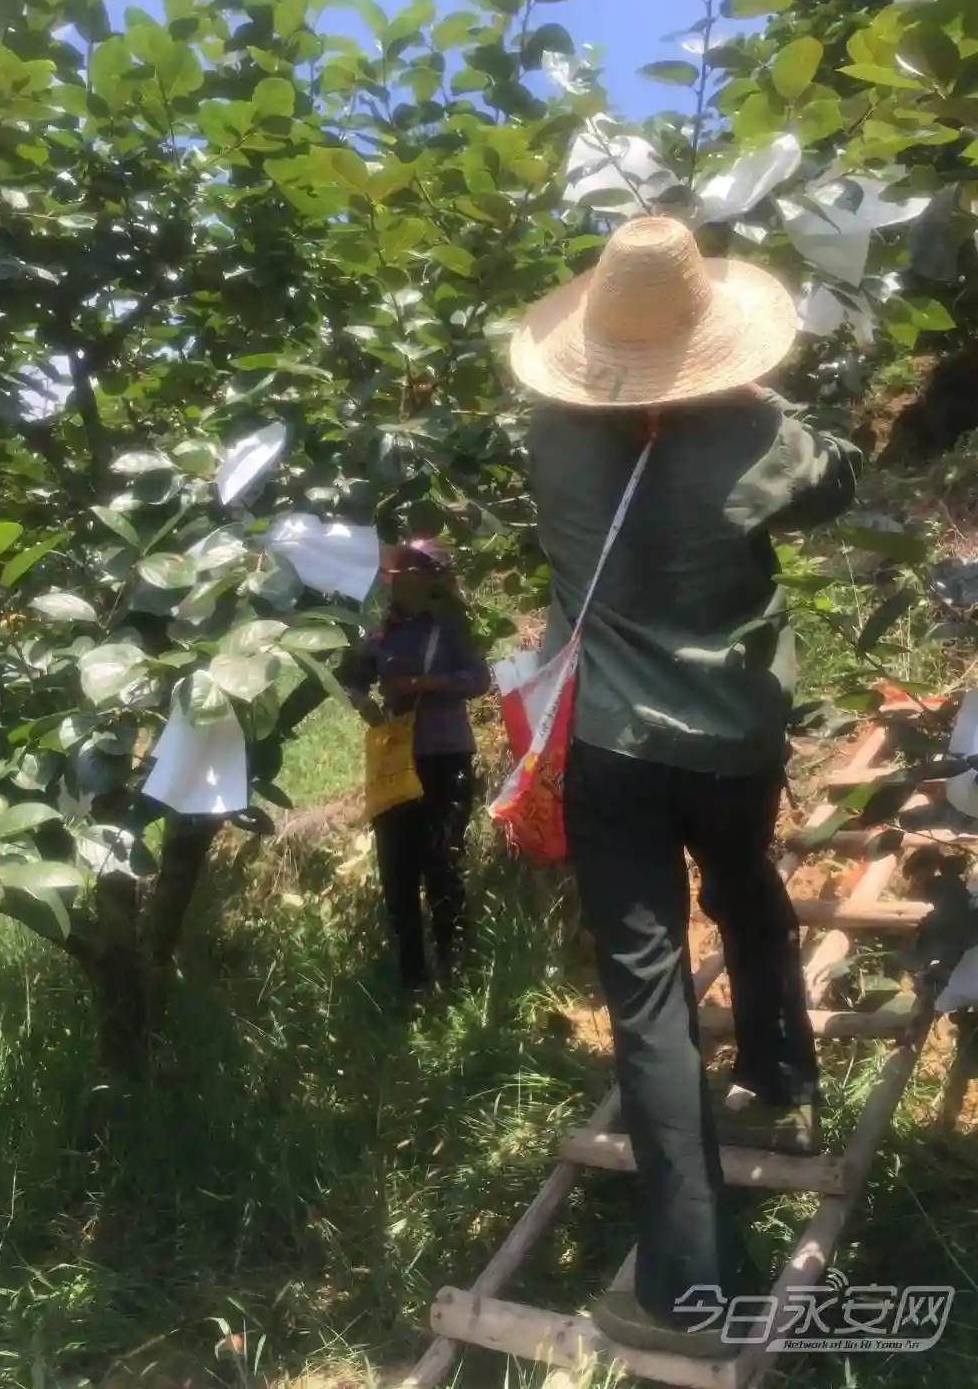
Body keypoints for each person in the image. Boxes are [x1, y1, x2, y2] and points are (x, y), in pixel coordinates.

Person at [508, 215, 861, 1359]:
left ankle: (688, 1284)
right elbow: (837, 483)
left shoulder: (553, 435)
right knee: (748, 883)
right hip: (733, 741)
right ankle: (779, 1076)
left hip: (609, 747)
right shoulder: (759, 430)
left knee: (648, 992)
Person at [341, 540, 490, 993]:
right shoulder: (383, 632)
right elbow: (351, 677)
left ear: (428, 580)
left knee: (443, 861)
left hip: (445, 755)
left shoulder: (452, 628)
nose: (395, 581)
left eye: (406, 573)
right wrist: (365, 702)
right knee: (397, 869)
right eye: (394, 575)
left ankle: (456, 971)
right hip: (395, 758)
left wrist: (426, 683)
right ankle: (413, 981)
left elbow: (478, 679)